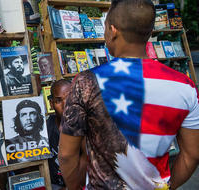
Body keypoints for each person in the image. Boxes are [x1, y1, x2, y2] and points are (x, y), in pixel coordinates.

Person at [58, 0, 199, 190]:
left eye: (106, 27)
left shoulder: (86, 82)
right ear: (149, 33)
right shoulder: (186, 86)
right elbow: (192, 155)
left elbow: (67, 154)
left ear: (113, 30)